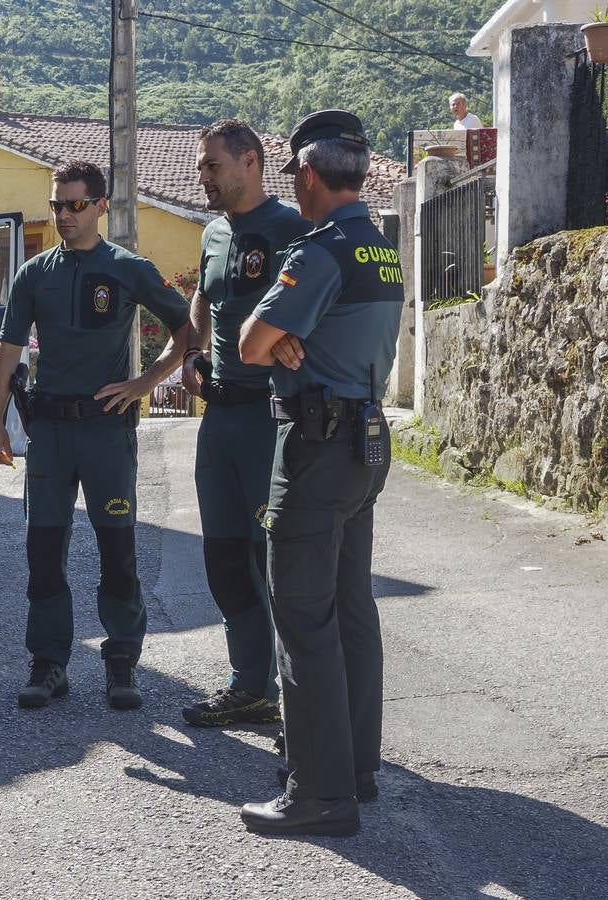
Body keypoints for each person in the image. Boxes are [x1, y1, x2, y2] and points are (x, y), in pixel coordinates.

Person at [236, 110, 404, 837]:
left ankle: (318, 793)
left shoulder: (322, 252)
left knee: (302, 618)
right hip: (364, 443)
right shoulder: (380, 249)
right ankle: (353, 768)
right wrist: (286, 343)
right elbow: (299, 338)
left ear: (306, 175)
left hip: (316, 446)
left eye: (292, 181)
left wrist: (276, 343)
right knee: (350, 610)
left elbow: (248, 342)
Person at [0, 160, 193, 711]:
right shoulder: (34, 274)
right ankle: (49, 665)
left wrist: (145, 381)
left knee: (117, 553)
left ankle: (122, 664)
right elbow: (6, 351)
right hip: (50, 434)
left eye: (76, 205)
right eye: (57, 205)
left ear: (101, 206)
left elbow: (187, 330)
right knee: (44, 553)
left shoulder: (128, 268)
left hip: (106, 434)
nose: (64, 215)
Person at [176, 120, 310, 729]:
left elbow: (315, 303)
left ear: (250, 162)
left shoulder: (290, 229)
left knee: (275, 561)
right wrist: (191, 357)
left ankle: (298, 698)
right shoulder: (213, 234)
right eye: (201, 166)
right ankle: (249, 685)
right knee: (225, 558)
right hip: (219, 419)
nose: (202, 177)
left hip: (269, 417)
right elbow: (203, 303)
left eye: (212, 166)